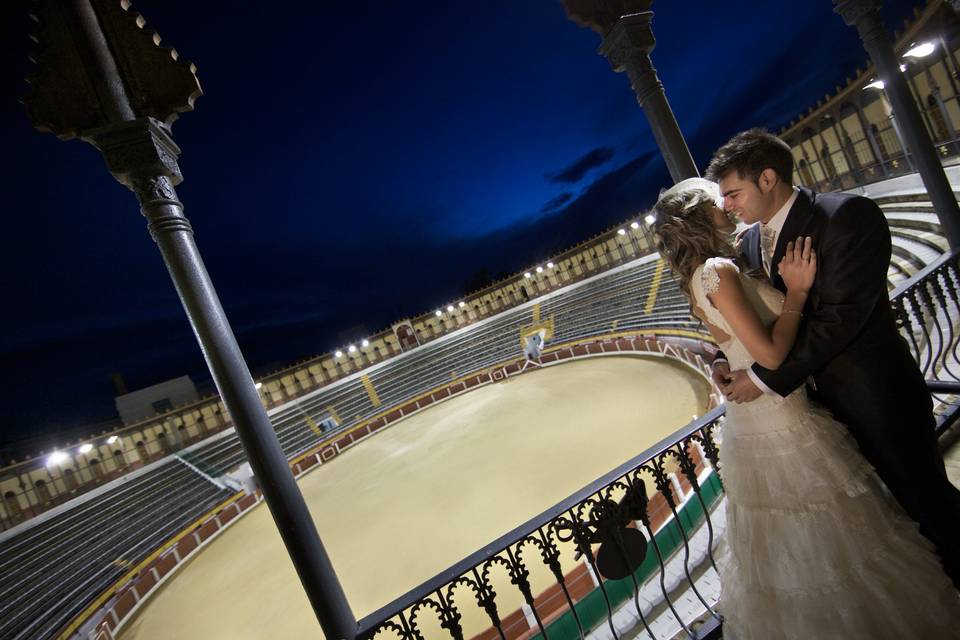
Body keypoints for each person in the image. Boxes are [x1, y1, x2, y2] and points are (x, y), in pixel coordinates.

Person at [651, 180, 960, 639]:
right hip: (780, 416)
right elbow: (771, 356)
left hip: (771, 414)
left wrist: (722, 360)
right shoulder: (717, 268)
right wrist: (796, 292)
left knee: (812, 544)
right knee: (836, 532)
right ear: (700, 216)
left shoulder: (709, 270)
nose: (730, 207)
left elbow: (732, 340)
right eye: (720, 204)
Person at [704, 129, 960, 591]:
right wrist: (722, 355)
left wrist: (762, 378)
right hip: (815, 415)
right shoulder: (745, 246)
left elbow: (840, 320)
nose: (727, 207)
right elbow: (754, 318)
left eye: (733, 194)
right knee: (887, 519)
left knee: (926, 504)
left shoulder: (844, 216)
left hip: (875, 398)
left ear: (767, 178)